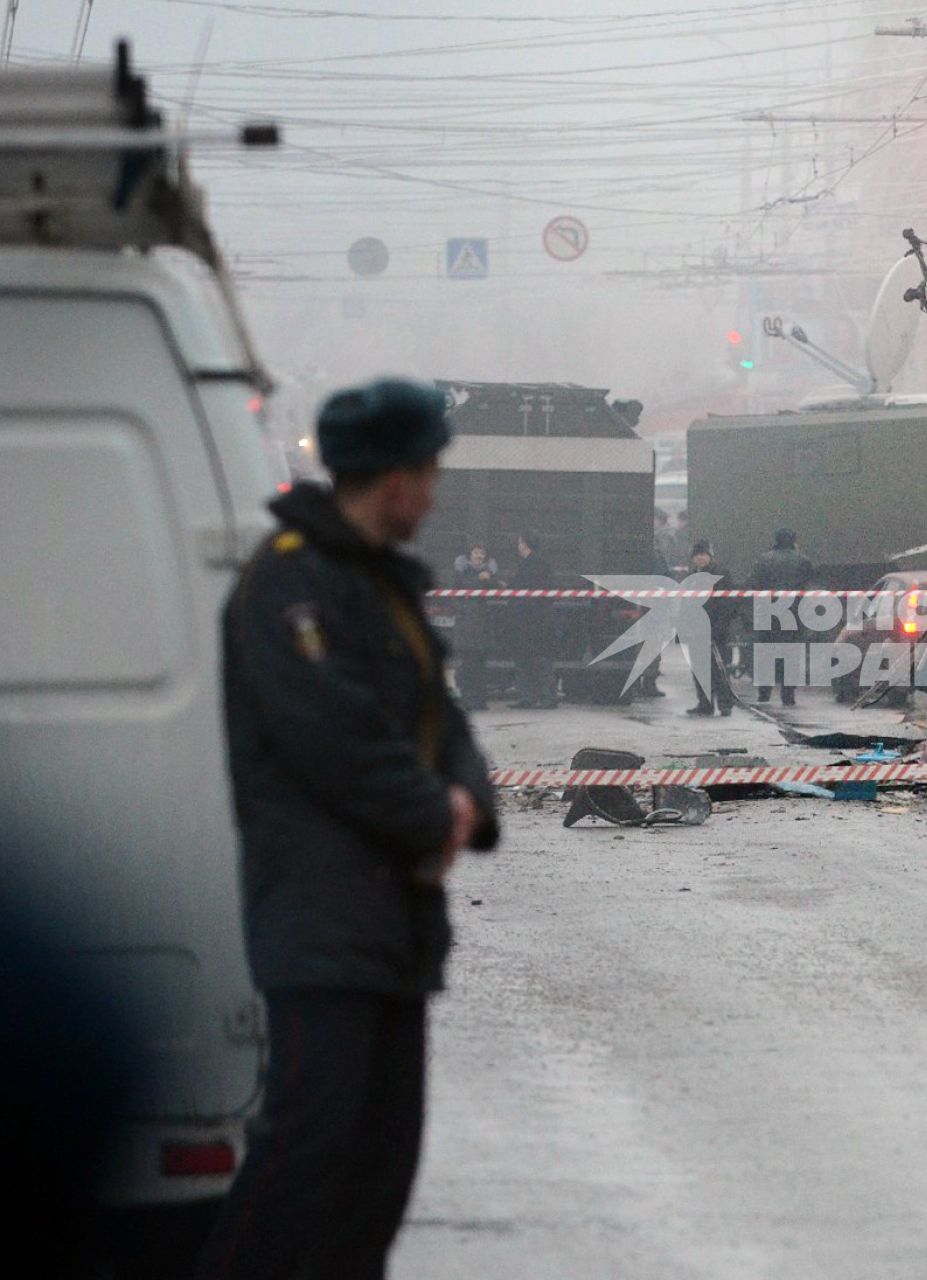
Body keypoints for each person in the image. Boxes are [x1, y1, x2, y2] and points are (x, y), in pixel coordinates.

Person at [198, 377, 500, 1280]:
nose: (436, 491)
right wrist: (430, 811)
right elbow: (332, 736)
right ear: (394, 477)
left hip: (390, 928)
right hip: (322, 922)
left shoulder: (381, 586)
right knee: (302, 1168)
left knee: (376, 1178)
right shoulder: (290, 582)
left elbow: (443, 721)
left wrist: (469, 802)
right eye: (429, 471)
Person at [747, 528, 814, 705]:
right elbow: (808, 586)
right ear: (794, 541)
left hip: (767, 612)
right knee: (791, 654)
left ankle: (764, 693)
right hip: (793, 613)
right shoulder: (803, 560)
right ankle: (788, 694)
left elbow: (754, 584)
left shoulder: (763, 559)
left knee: (766, 653)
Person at [684, 540, 738, 717]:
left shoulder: (720, 575)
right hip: (696, 631)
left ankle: (725, 705)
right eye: (697, 556)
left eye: (703, 555)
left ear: (709, 556)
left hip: (716, 631)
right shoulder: (692, 576)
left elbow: (727, 604)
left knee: (719, 669)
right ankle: (705, 704)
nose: (700, 559)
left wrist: (719, 628)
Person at [509, 531, 559, 708]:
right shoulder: (534, 563)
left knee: (539, 658)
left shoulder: (534, 564)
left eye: (520, 542)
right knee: (526, 658)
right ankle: (528, 697)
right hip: (530, 619)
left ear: (525, 544)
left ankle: (546, 697)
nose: (518, 545)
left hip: (535, 620)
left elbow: (522, 588)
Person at [450, 544, 498, 709]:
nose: (479, 556)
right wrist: (480, 580)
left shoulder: (490, 573)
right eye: (476, 552)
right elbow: (457, 594)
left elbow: (498, 587)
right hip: (466, 625)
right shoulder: (461, 572)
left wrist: (489, 579)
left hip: (483, 626)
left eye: (482, 553)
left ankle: (480, 700)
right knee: (468, 664)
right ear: (469, 555)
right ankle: (468, 699)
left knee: (480, 664)